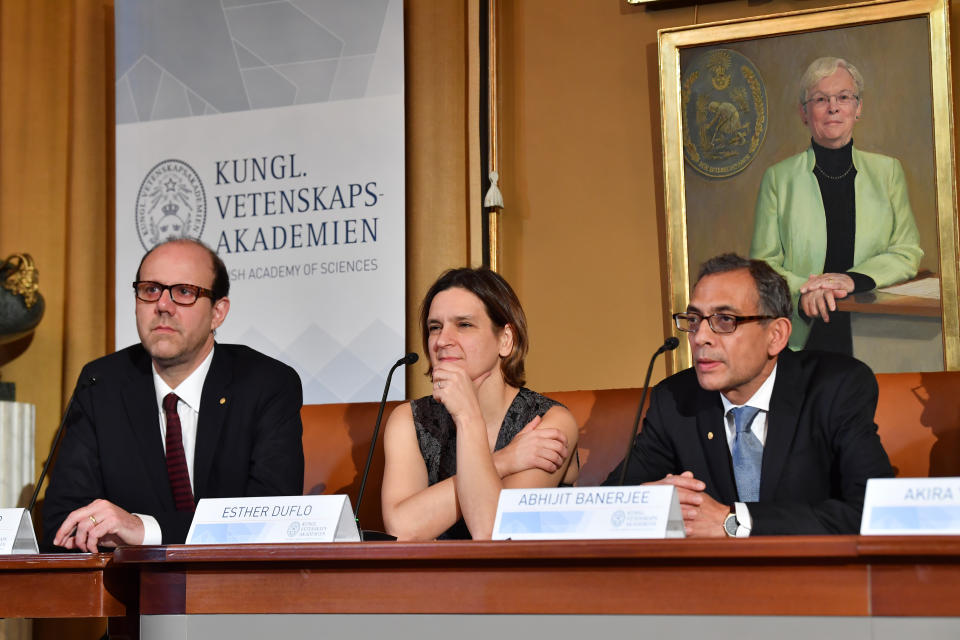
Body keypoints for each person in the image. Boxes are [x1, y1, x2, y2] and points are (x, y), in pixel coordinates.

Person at [43, 239, 304, 550]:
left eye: (184, 292)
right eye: (151, 289)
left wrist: (144, 530)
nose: (163, 306)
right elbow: (63, 520)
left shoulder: (265, 383)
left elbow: (270, 517)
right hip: (129, 588)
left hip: (237, 587)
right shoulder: (101, 383)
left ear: (218, 313)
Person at [606, 254, 893, 536]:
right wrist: (644, 502)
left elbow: (874, 511)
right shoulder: (675, 399)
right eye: (694, 319)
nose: (700, 337)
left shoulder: (835, 387)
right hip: (710, 580)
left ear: (776, 335)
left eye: (725, 320)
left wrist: (733, 521)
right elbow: (606, 506)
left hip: (814, 577)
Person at [381, 268, 579, 540]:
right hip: (432, 581)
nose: (441, 341)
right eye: (434, 327)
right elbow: (402, 530)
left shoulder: (548, 422)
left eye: (464, 325)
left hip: (520, 579)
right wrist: (503, 461)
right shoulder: (409, 420)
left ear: (505, 340)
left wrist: (466, 415)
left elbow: (492, 532)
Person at [750, 57, 923, 354]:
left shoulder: (888, 172)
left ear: (858, 108)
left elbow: (907, 251)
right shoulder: (778, 179)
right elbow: (763, 266)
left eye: (843, 97)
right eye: (820, 99)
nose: (833, 107)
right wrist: (809, 289)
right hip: (800, 333)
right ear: (804, 113)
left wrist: (850, 280)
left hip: (874, 334)